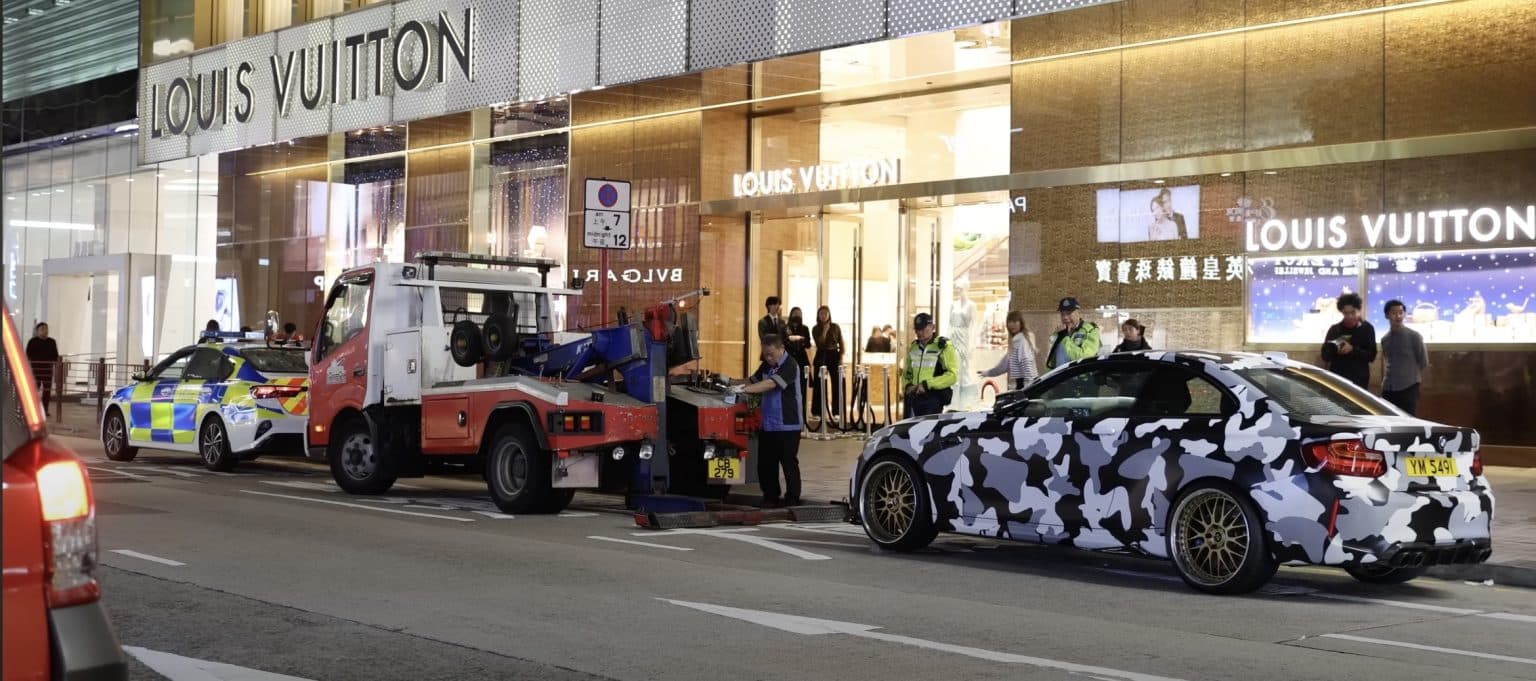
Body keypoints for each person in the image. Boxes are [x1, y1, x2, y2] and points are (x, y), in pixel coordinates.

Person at [728, 334, 803, 507]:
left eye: (771, 354)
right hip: (768, 424)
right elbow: (752, 380)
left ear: (781, 348)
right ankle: (770, 497)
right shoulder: (767, 365)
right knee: (766, 464)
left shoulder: (789, 364)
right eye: (765, 354)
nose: (768, 358)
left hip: (788, 424)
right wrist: (730, 382)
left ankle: (793, 498)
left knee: (788, 461)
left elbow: (770, 384)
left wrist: (744, 390)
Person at [900, 313, 959, 418]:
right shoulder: (914, 347)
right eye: (917, 329)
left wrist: (927, 385)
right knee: (911, 432)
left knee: (928, 432)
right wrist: (907, 386)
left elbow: (952, 376)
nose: (919, 332)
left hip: (932, 399)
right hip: (913, 399)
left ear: (932, 327)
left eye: (923, 329)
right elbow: (906, 373)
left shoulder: (943, 346)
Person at [1380, 299, 1429, 415]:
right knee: (1388, 420)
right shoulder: (1385, 339)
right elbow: (1387, 362)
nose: (1398, 316)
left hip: (1409, 387)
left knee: (1408, 421)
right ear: (1387, 315)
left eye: (1401, 312)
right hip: (1389, 388)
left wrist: (1414, 382)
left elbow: (1424, 362)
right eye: (1394, 313)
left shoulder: (1414, 336)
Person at [1321, 292, 1377, 391]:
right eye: (1346, 313)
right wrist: (1334, 349)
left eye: (1353, 312)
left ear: (1359, 310)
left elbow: (1371, 355)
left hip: (1359, 381)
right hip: (1338, 379)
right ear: (1341, 312)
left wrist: (1352, 349)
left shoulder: (1367, 328)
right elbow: (1325, 356)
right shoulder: (1335, 329)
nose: (1350, 316)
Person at [979, 311, 1038, 391]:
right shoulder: (1016, 341)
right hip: (1025, 384)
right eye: (1009, 322)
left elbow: (1026, 363)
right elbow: (1004, 365)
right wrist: (988, 373)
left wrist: (1027, 389)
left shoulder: (1022, 341)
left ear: (1021, 323)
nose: (1012, 325)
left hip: (1026, 384)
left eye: (1014, 321)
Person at [1045, 297, 1101, 370]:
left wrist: (1065, 338)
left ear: (1078, 312)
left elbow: (1086, 357)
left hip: (1080, 379)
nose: (1065, 317)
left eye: (1069, 313)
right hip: (1060, 378)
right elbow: (1053, 359)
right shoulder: (1059, 333)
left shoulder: (1090, 330)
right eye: (1062, 314)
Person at [811, 305, 845, 419]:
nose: (824, 315)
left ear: (829, 314)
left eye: (826, 313)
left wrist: (841, 356)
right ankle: (817, 412)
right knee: (819, 384)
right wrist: (825, 330)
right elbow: (820, 343)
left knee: (837, 384)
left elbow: (841, 341)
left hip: (834, 354)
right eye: (821, 313)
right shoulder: (815, 328)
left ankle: (837, 412)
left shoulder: (835, 327)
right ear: (818, 315)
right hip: (821, 355)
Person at [26, 323, 60, 414]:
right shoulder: (33, 341)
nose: (45, 331)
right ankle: (34, 410)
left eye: (46, 329)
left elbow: (55, 355)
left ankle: (45, 410)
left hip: (47, 370)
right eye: (42, 329)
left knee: (47, 391)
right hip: (36, 370)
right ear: (37, 331)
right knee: (34, 390)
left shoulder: (51, 341)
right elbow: (28, 354)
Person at [785, 307, 812, 412]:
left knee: (802, 387)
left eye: (799, 314)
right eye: (795, 313)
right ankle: (790, 410)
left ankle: (802, 411)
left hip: (801, 360)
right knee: (789, 385)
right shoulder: (786, 328)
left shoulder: (805, 328)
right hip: (789, 359)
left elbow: (808, 344)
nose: (797, 316)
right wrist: (790, 340)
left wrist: (801, 341)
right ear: (791, 315)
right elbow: (783, 341)